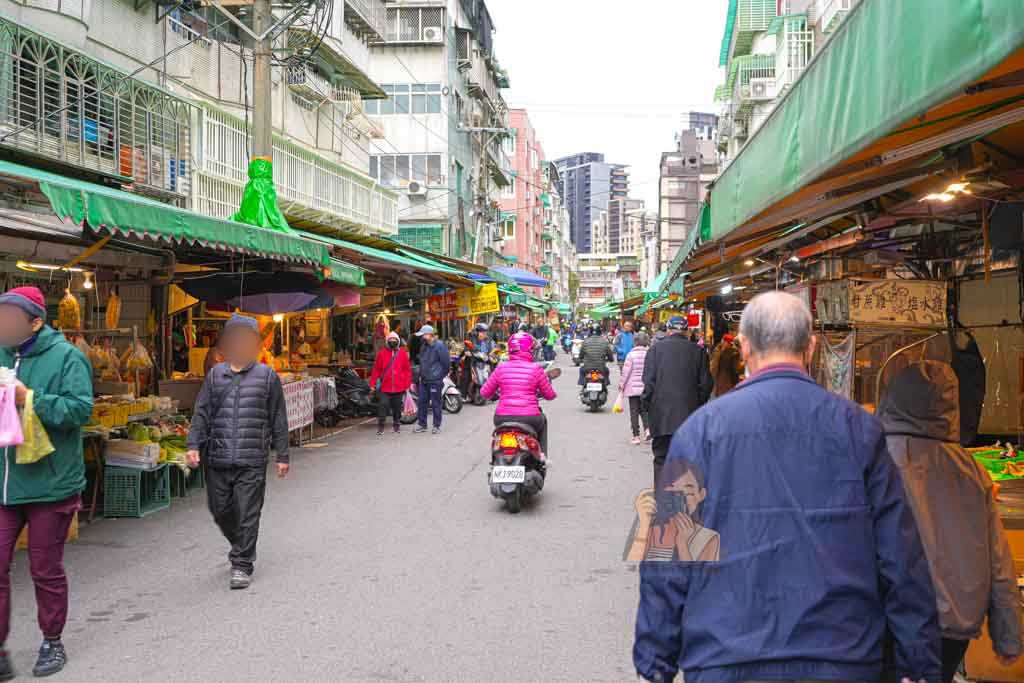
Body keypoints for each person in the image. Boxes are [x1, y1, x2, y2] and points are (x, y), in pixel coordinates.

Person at [634, 291, 941, 683]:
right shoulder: (859, 429)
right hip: (843, 658)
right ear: (810, 347)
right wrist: (920, 664)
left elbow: (667, 555)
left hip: (725, 658)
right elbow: (901, 556)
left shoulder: (699, 431)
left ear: (744, 348)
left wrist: (655, 660)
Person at [877, 361, 1022, 682]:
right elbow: (999, 560)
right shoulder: (973, 472)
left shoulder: (875, 460)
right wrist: (1008, 634)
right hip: (952, 624)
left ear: (893, 399)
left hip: (889, 619)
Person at [0, 286, 93, 679]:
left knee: (44, 568)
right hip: (3, 483)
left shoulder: (67, 356)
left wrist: (29, 399)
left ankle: (52, 640)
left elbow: (80, 409)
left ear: (35, 322)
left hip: (50, 483)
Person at [186, 314, 290, 591]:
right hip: (218, 457)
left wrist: (282, 455)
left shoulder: (267, 376)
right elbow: (201, 412)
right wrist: (193, 444)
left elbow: (278, 417)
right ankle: (241, 543)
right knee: (219, 509)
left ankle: (242, 564)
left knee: (247, 511)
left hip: (252, 458)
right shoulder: (215, 375)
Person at [641, 316, 712, 486]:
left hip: (661, 417)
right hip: (690, 418)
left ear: (668, 330)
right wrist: (697, 406)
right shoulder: (698, 352)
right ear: (687, 331)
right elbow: (706, 385)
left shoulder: (655, 350)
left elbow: (648, 384)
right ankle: (687, 495)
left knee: (661, 459)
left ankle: (662, 495)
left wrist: (647, 409)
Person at [480, 333, 556, 455]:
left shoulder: (501, 368)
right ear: (530, 349)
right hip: (530, 418)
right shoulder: (536, 369)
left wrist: (497, 393)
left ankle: (496, 458)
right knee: (543, 420)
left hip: (502, 418)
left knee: (498, 437)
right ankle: (542, 456)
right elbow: (550, 395)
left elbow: (484, 393)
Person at [369, 331, 412, 436]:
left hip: (399, 387)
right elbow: (376, 370)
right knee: (382, 406)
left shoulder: (402, 353)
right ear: (387, 341)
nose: (392, 341)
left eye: (394, 339)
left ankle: (396, 425)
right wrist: (372, 384)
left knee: (397, 408)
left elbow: (407, 370)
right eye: (390, 339)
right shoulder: (382, 353)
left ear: (398, 341)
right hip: (385, 387)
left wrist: (407, 384)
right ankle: (381, 427)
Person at [413, 324, 450, 434]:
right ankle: (422, 424)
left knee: (436, 403)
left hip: (435, 380)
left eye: (423, 335)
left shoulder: (440, 346)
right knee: (422, 402)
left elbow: (446, 363)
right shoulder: (423, 346)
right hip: (424, 379)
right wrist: (421, 375)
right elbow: (422, 362)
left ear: (429, 334)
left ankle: (436, 426)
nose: (422, 337)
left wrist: (439, 376)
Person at [619, 331, 650, 445]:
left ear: (635, 342)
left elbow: (625, 372)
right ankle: (647, 430)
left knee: (634, 412)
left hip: (633, 389)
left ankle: (636, 436)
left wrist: (621, 385)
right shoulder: (649, 354)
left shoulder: (631, 355)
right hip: (645, 388)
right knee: (645, 411)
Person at [708, 332, 743, 397]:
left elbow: (713, 367)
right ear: (728, 343)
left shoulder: (717, 350)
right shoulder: (733, 354)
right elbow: (736, 370)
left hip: (718, 383)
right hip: (728, 384)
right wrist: (743, 365)